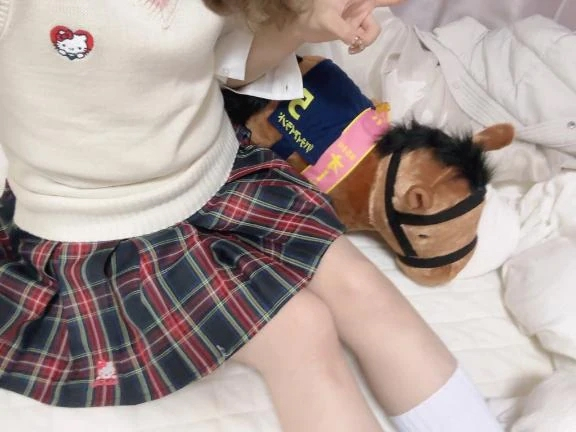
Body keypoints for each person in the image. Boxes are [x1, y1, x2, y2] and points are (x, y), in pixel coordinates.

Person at [0, 1, 501, 431]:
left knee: (362, 287)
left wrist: (302, 26)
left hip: (216, 173)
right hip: (99, 223)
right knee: (300, 330)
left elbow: (226, 63)